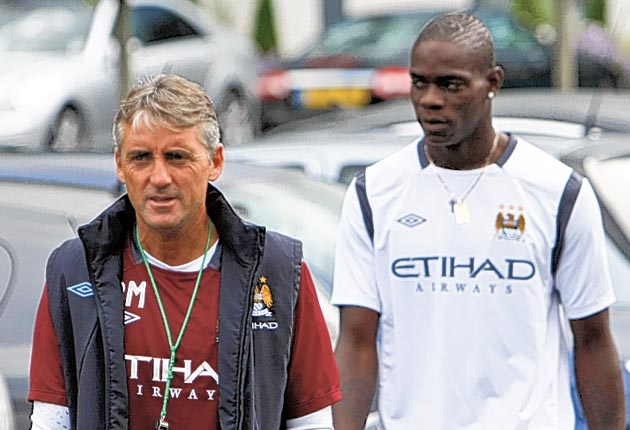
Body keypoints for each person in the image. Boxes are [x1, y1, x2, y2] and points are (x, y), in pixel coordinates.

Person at [331, 12, 625, 430]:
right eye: (420, 82)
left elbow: (593, 340)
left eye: (451, 84)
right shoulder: (373, 193)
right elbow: (357, 342)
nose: (431, 99)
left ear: (493, 83)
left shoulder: (558, 191)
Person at [27, 74, 342, 430]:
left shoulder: (277, 270)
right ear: (119, 164)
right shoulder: (75, 268)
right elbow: (51, 422)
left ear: (215, 162)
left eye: (177, 157)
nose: (159, 177)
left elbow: (312, 423)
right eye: (141, 158)